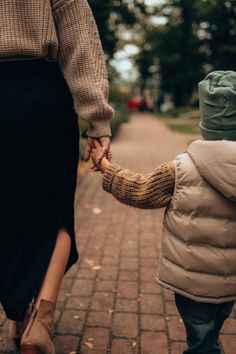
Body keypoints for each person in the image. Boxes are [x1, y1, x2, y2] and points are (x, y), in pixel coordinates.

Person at [92, 71, 236, 354]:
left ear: (206, 120)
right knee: (213, 327)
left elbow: (140, 189)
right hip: (230, 281)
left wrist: (107, 167)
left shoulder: (181, 168)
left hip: (192, 282)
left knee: (201, 341)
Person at [0, 1, 114, 353]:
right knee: (55, 214)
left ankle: (17, 311)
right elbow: (80, 40)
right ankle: (40, 323)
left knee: (6, 212)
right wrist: (98, 122)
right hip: (42, 101)